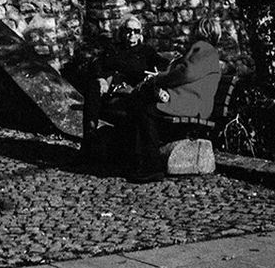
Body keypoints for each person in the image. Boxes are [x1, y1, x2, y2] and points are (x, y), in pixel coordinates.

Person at [123, 16, 223, 182]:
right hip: (190, 100)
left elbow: (185, 73)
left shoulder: (202, 48)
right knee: (142, 104)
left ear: (200, 31)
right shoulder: (207, 50)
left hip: (190, 103)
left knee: (145, 110)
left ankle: (151, 166)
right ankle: (142, 162)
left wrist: (158, 79)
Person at [81, 16, 166, 157]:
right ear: (122, 32)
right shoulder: (114, 49)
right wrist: (101, 78)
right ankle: (90, 132)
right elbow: (96, 63)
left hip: (132, 94)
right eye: (128, 30)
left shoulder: (146, 51)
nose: (132, 35)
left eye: (136, 31)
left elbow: (161, 64)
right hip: (111, 90)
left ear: (140, 34)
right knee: (93, 87)